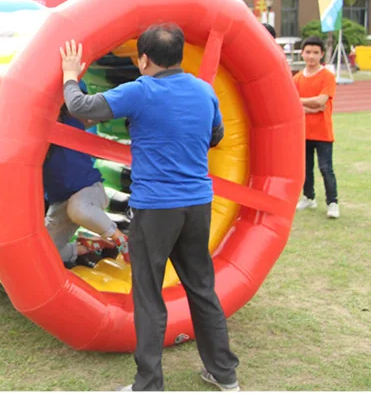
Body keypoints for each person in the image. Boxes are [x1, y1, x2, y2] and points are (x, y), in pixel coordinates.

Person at [59, 25, 239, 392]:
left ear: (144, 58)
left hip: (156, 209)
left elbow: (80, 107)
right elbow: (216, 136)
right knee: (202, 289)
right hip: (198, 205)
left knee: (148, 295)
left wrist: (69, 74)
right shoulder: (205, 91)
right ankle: (225, 375)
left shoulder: (141, 91)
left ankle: (149, 384)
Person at [43, 104, 129, 268]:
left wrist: (106, 114)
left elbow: (88, 116)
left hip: (89, 190)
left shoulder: (69, 120)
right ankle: (88, 246)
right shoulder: (34, 135)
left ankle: (121, 239)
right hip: (60, 201)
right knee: (45, 252)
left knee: (78, 208)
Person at [292, 36, 340, 219]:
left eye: (315, 53)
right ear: (302, 54)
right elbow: (292, 104)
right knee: (305, 168)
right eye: (308, 52)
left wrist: (299, 103)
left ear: (321, 55)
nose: (311, 56)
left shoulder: (327, 76)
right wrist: (309, 107)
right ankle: (308, 197)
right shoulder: (296, 78)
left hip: (323, 132)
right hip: (303, 132)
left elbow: (322, 101)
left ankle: (332, 202)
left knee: (326, 168)